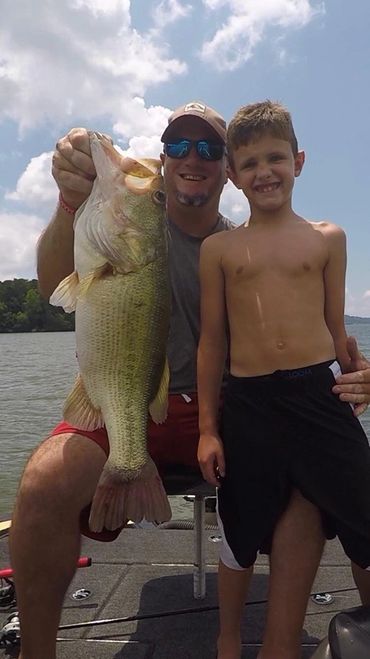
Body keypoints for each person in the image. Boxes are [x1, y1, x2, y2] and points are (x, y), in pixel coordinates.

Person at [8, 100, 370, 659]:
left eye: (208, 147)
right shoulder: (113, 227)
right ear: (162, 159)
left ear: (227, 169)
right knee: (42, 483)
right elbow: (55, 284)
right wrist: (70, 197)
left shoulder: (241, 245)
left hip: (227, 409)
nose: (191, 157)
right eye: (178, 145)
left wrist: (356, 371)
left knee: (305, 492)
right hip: (124, 401)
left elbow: (310, 331)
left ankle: (277, 647)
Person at [197, 99, 370, 659]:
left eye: (275, 158)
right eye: (248, 163)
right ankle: (228, 639)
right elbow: (213, 343)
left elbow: (335, 327)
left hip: (318, 395)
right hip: (249, 403)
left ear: (299, 161)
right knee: (239, 531)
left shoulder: (328, 238)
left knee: (365, 513)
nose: (264, 172)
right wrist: (207, 428)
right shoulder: (219, 249)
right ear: (232, 176)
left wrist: (359, 378)